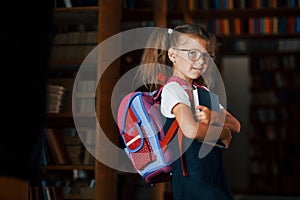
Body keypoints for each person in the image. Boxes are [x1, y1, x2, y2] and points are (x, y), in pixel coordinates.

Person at [136, 24, 241, 200]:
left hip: (214, 175)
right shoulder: (174, 90)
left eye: (206, 56)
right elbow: (191, 130)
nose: (200, 61)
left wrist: (214, 116)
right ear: (173, 54)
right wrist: (222, 133)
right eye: (192, 53)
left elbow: (236, 125)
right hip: (191, 179)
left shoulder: (204, 92)